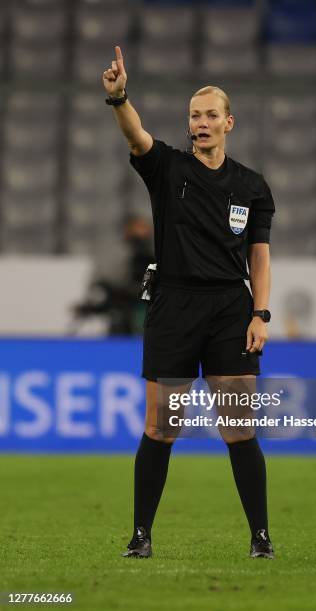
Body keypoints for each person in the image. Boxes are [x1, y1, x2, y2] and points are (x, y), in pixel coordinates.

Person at [103, 46, 276, 559]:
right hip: (174, 306)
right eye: (193, 116)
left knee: (237, 426)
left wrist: (260, 314)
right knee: (162, 426)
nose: (200, 123)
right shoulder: (167, 169)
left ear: (228, 122)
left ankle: (260, 537)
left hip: (229, 309)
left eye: (209, 115)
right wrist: (118, 99)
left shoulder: (252, 186)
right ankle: (141, 536)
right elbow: (136, 135)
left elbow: (260, 257)